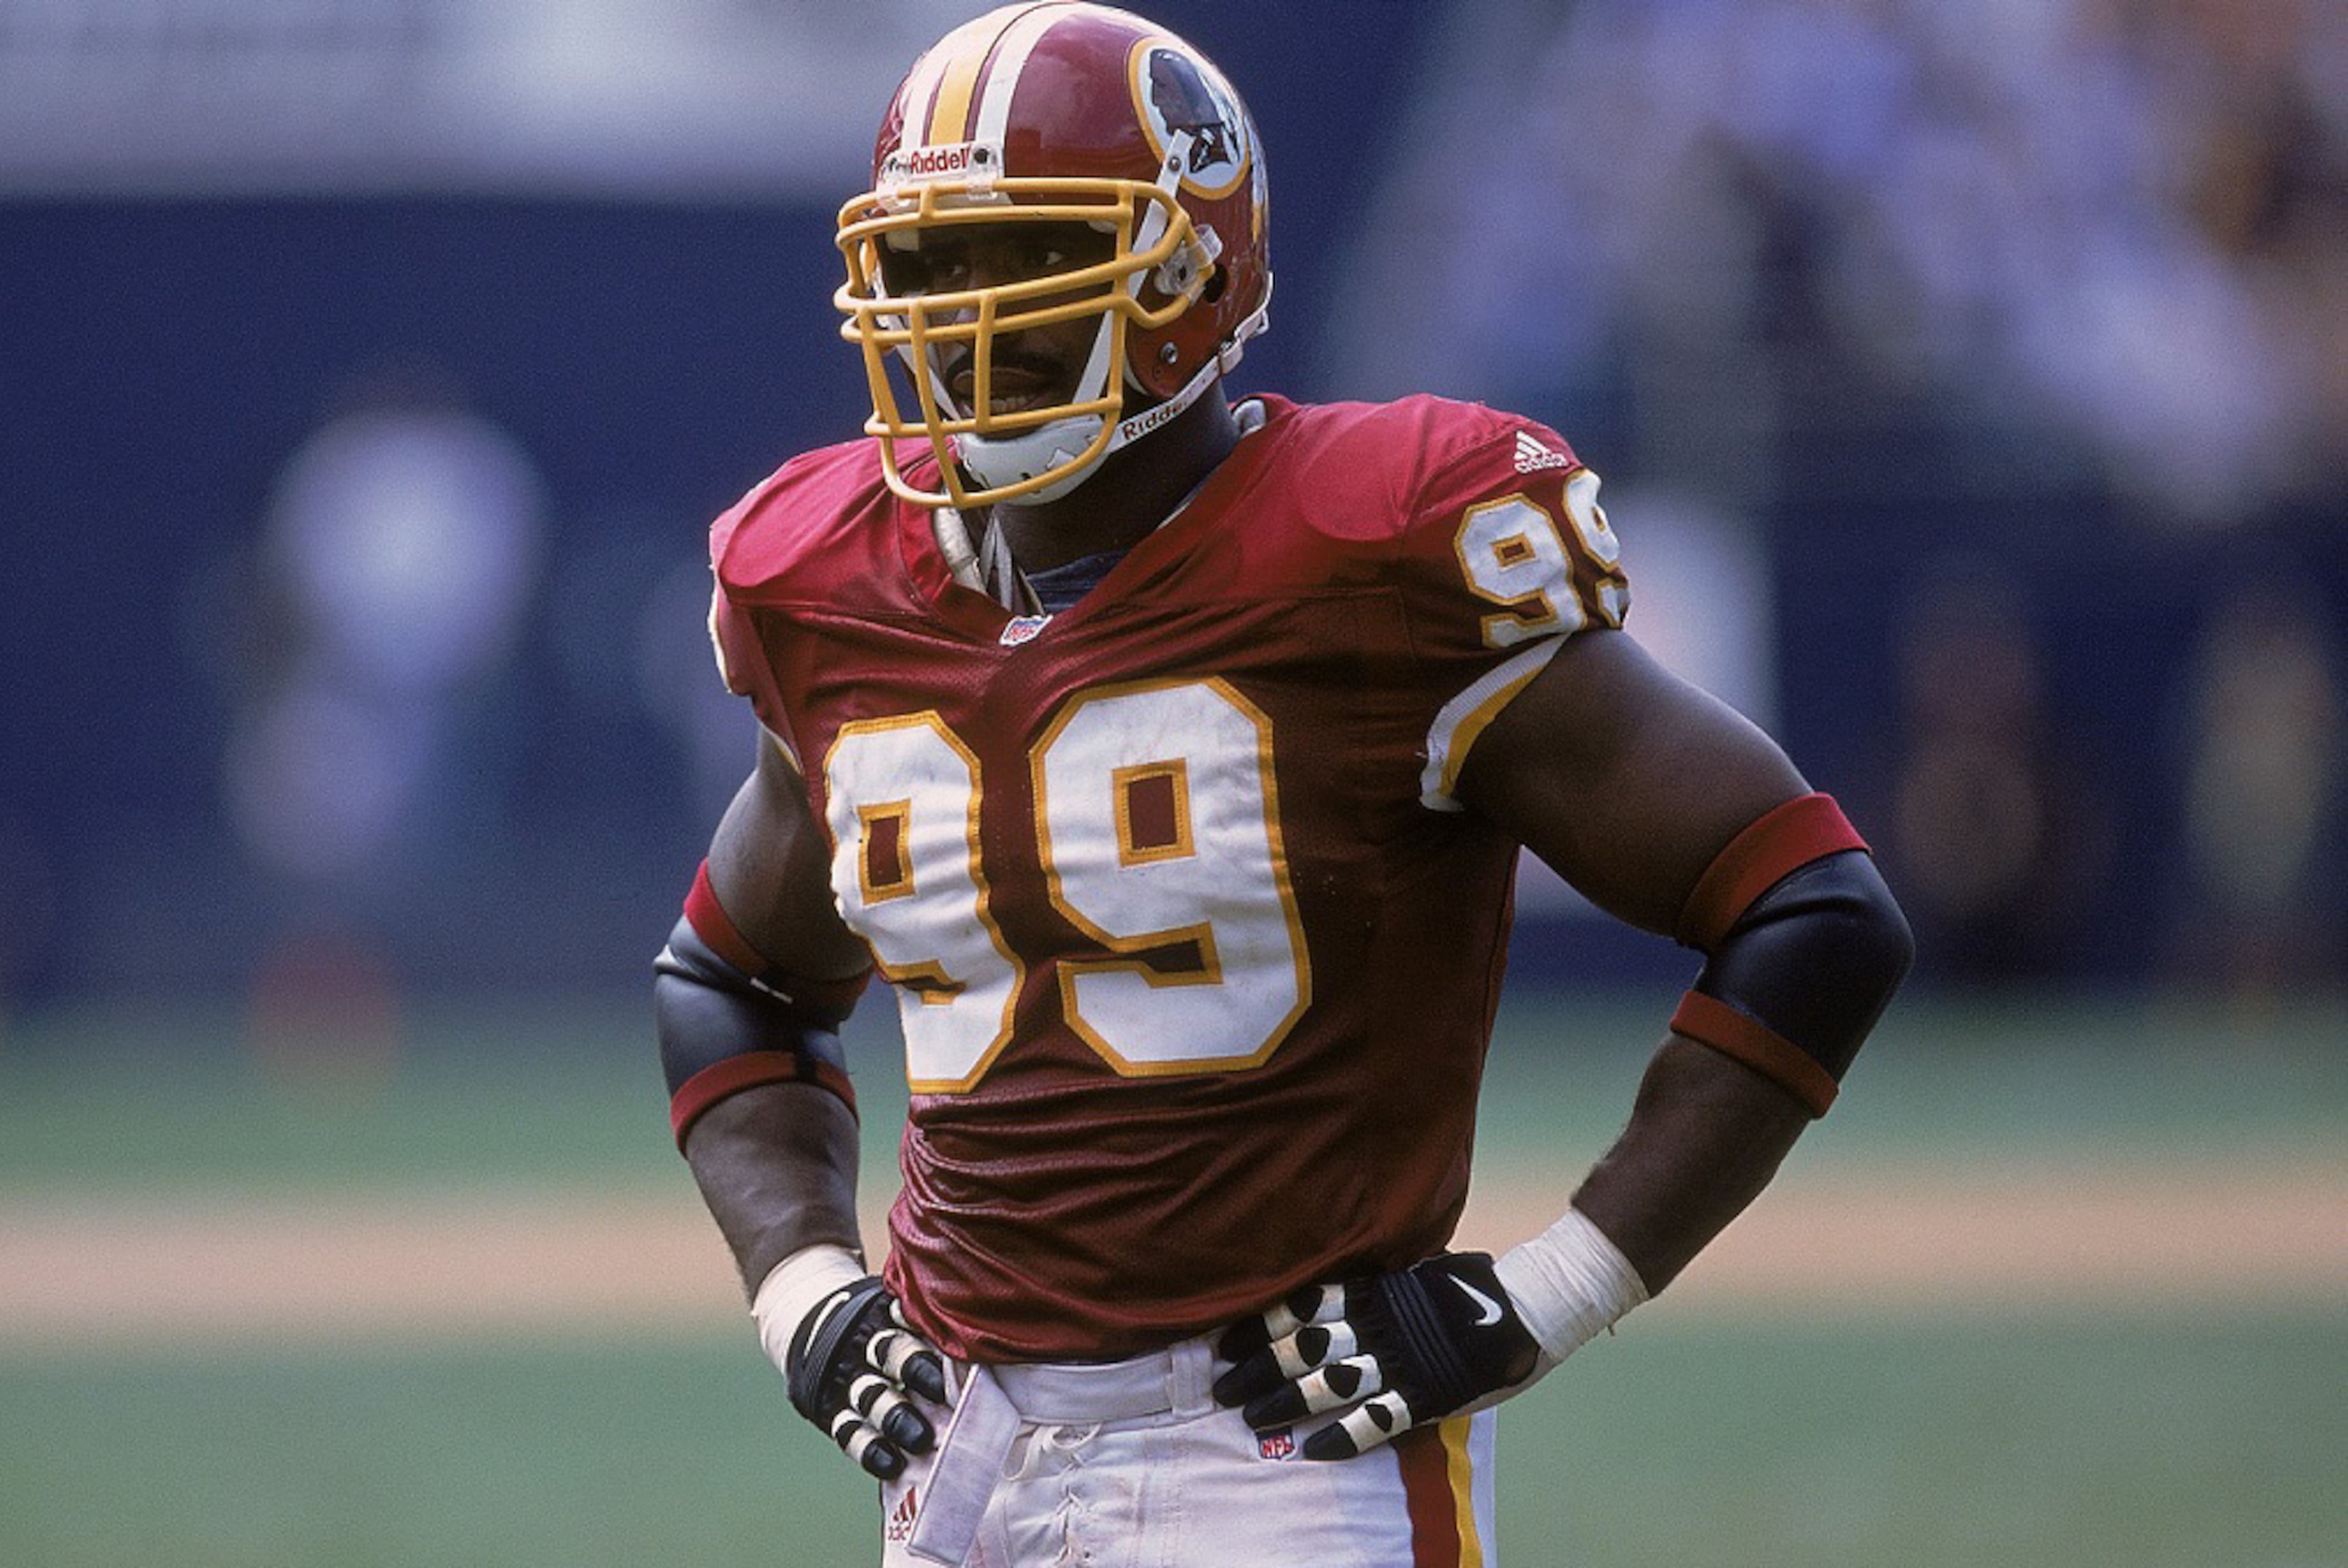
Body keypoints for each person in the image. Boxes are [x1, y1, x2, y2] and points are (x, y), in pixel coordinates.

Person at [653, 5, 1913, 1564]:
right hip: (963, 1456)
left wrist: (1546, 1295)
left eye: (1018, 257)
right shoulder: (830, 578)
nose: (957, 316)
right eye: (927, 263)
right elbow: (732, 979)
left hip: (1277, 1446)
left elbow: (1812, 908)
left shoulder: (1376, 551)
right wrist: (803, 1294)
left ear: (1188, 271)